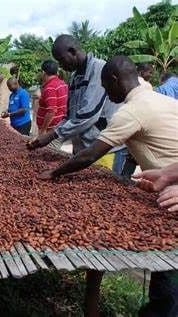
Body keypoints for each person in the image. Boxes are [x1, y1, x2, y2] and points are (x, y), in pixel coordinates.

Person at [34, 55, 178, 317]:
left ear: (114, 80)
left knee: (169, 287)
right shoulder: (162, 99)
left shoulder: (131, 111)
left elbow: (90, 155)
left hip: (172, 196)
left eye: (105, 86)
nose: (105, 93)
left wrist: (53, 173)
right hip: (167, 183)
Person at [27, 35, 124, 172]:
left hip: (104, 149)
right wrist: (47, 136)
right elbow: (69, 116)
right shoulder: (74, 78)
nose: (60, 66)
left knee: (101, 188)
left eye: (61, 60)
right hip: (82, 149)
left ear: (72, 51)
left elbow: (89, 115)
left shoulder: (99, 69)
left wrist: (52, 134)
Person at [36, 60, 68, 149]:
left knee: (47, 156)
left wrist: (43, 131)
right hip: (58, 127)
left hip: (51, 131)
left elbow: (52, 111)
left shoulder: (50, 87)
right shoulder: (62, 84)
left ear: (43, 72)